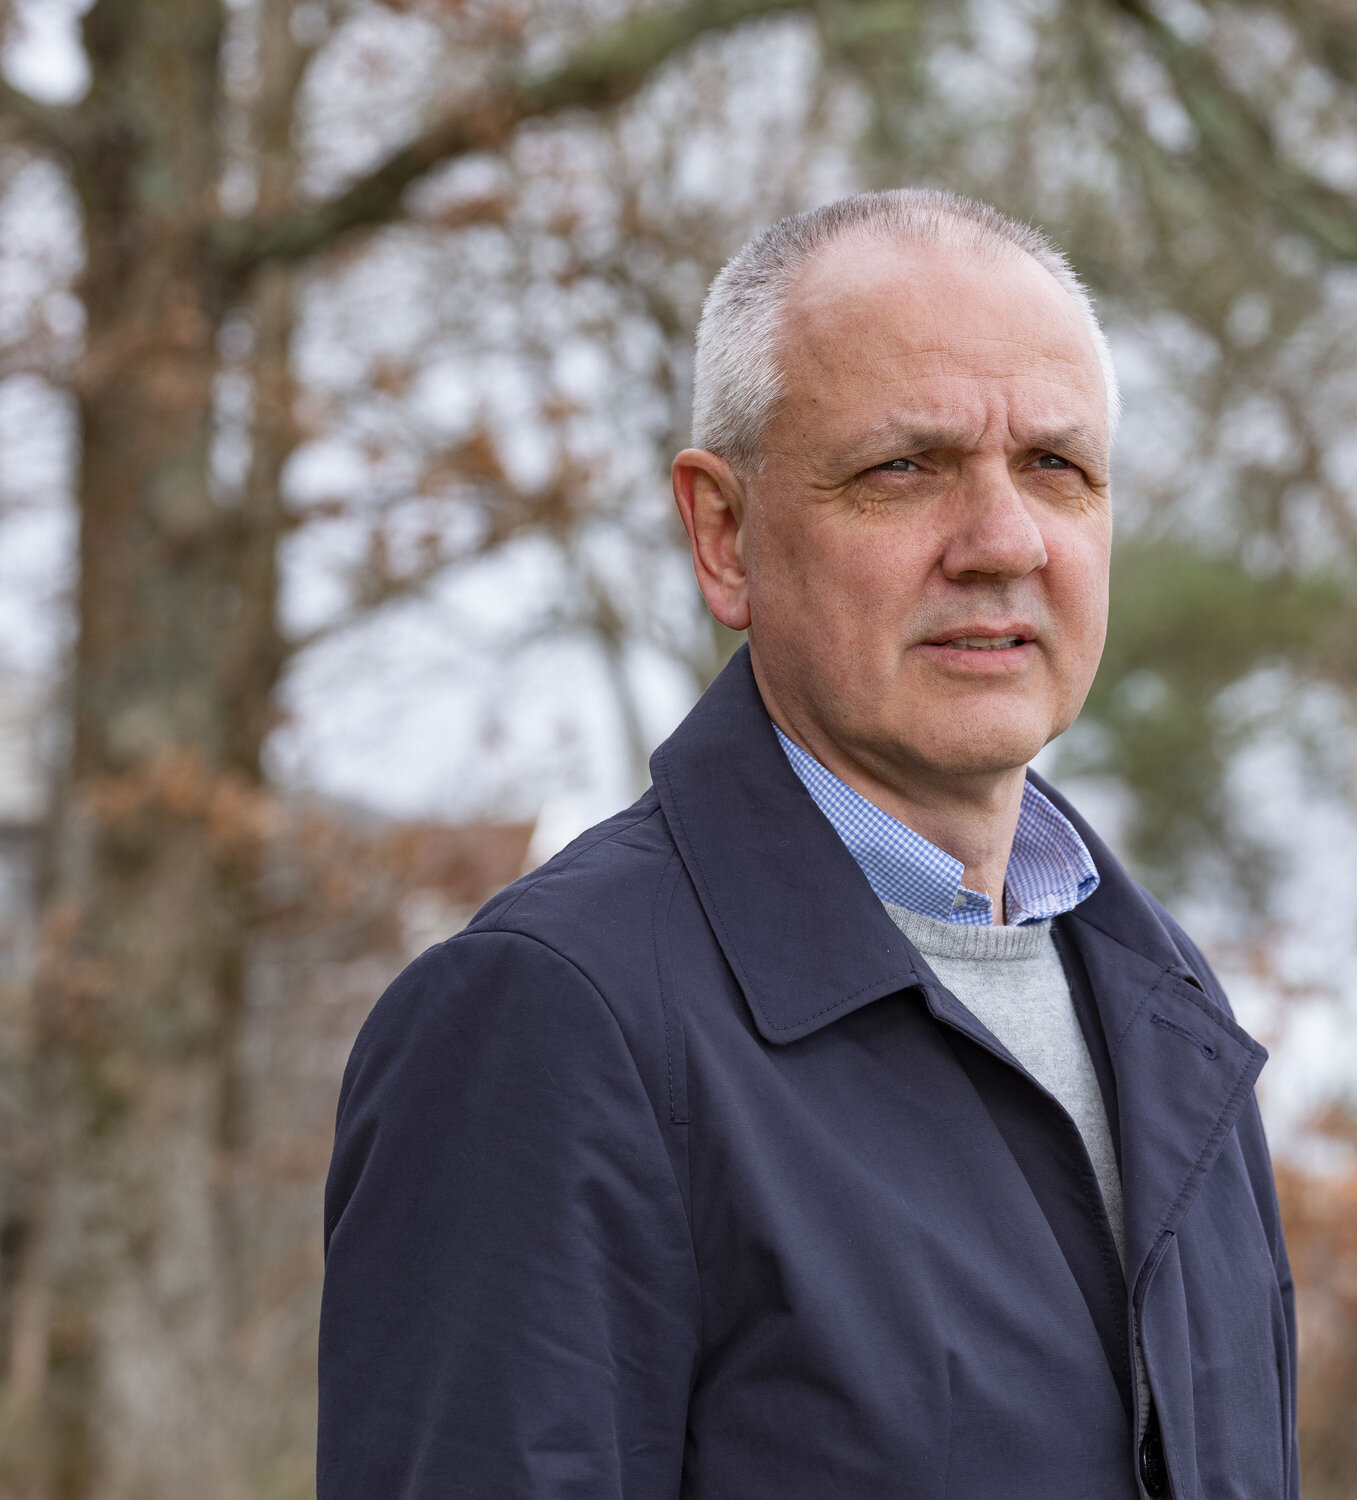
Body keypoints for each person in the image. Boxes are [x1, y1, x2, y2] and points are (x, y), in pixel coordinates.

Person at [318, 189, 1298, 1500]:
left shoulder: (1168, 1009)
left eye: (1056, 467)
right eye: (905, 468)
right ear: (724, 535)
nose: (1004, 541)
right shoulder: (554, 1026)